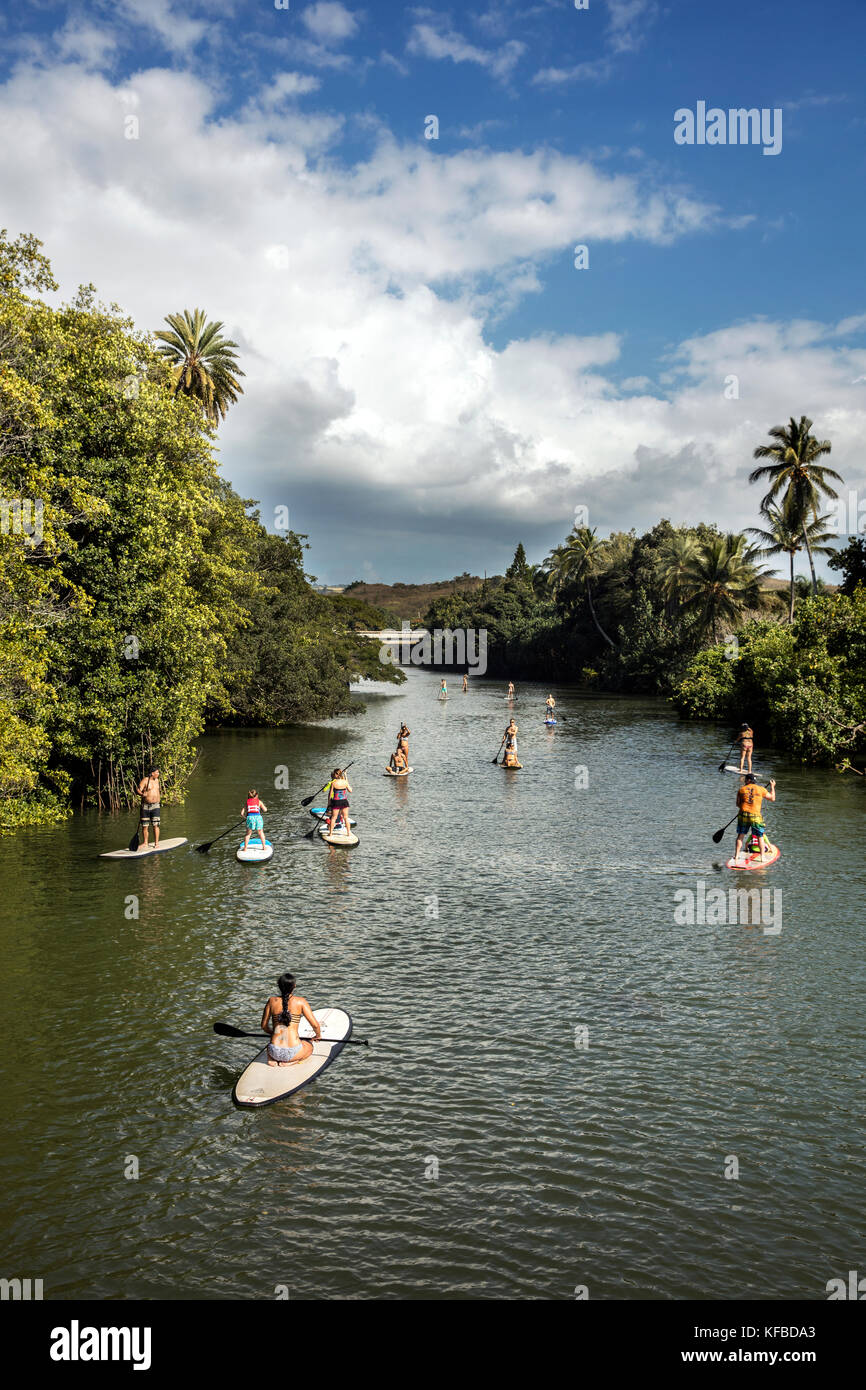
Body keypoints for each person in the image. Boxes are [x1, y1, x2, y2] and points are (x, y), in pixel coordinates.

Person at [261, 972, 321, 1069]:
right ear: (294, 986)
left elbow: (264, 1026)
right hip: (293, 1053)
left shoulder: (272, 1001)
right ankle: (292, 1062)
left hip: (273, 1050)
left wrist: (273, 1033)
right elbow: (315, 1026)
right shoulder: (301, 1001)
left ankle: (271, 1059)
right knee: (309, 1047)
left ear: (279, 986)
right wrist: (318, 1036)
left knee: (270, 1044)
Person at [734, 774, 776, 862]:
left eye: (745, 780)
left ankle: (736, 856)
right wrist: (772, 787)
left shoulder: (741, 789)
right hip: (755, 815)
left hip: (743, 814)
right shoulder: (761, 789)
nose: (745, 781)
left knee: (740, 836)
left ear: (748, 780)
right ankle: (762, 857)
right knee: (760, 836)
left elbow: (738, 804)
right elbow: (772, 798)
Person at [136, 767, 161, 849]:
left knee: (156, 825)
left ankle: (156, 843)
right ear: (152, 773)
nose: (158, 774)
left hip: (156, 806)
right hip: (145, 806)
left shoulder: (157, 781)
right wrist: (142, 794)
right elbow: (138, 789)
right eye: (157, 772)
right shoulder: (145, 780)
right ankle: (145, 843)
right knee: (145, 825)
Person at [326, 767, 352, 835]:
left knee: (334, 818)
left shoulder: (333, 783)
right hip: (344, 801)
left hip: (336, 802)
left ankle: (330, 833)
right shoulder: (345, 782)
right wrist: (346, 777)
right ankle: (348, 833)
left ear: (335, 774)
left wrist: (329, 803)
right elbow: (350, 791)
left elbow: (330, 794)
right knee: (346, 817)